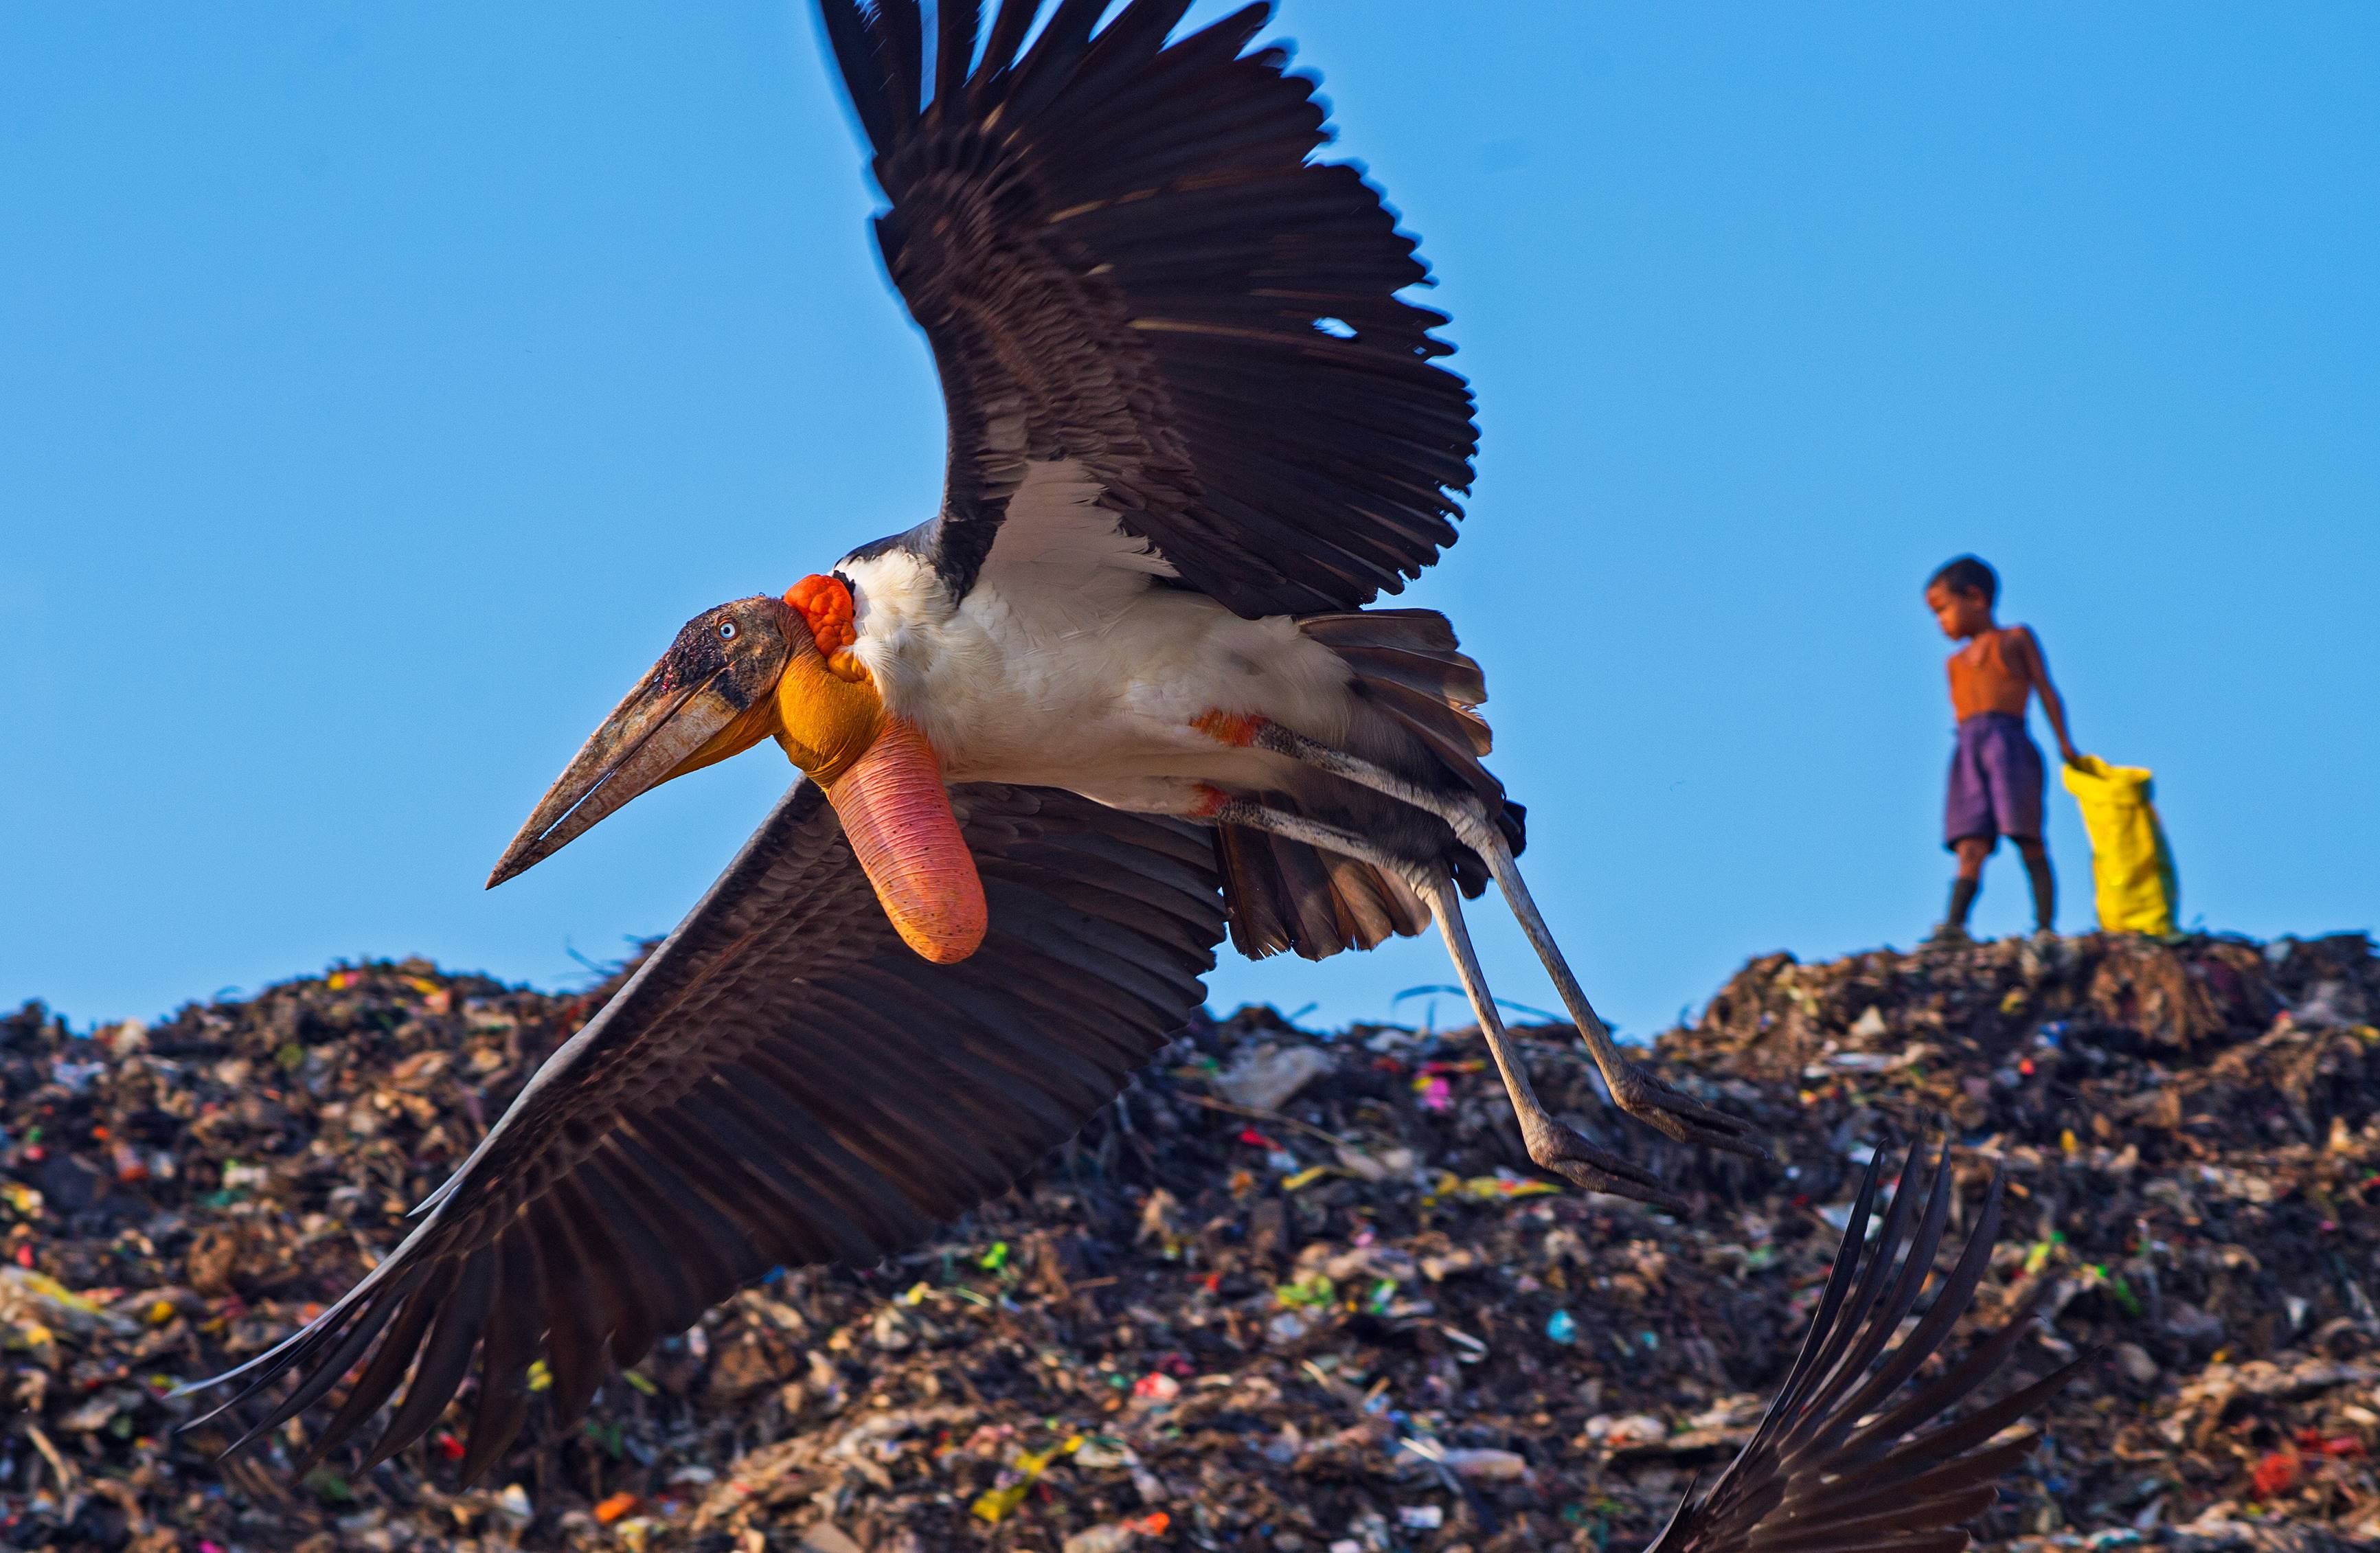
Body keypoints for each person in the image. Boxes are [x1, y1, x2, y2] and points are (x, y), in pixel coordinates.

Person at [1923, 555, 2081, 941]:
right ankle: (1954, 926)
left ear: (1975, 597)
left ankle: (2044, 926)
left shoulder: (2015, 640)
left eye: (1943, 609)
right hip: (1967, 751)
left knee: (2026, 833)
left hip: (2008, 745)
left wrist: (2065, 743)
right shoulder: (1954, 664)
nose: (1939, 622)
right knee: (1970, 841)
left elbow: (2045, 689)